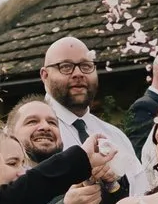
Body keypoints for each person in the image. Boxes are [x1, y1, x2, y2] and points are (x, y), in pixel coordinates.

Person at [42, 35, 139, 164]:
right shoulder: (29, 136)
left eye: (86, 66)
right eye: (66, 66)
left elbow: (139, 184)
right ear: (45, 75)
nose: (78, 74)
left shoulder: (117, 137)